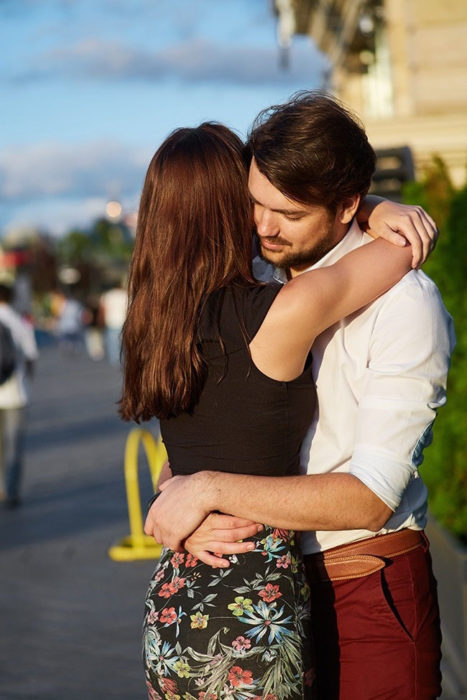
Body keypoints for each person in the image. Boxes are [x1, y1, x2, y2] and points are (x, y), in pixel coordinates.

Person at [144, 94, 455, 700]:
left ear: (343, 206)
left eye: (286, 212)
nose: (262, 226)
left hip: (365, 581)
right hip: (266, 583)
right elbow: (195, 446)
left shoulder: (405, 303)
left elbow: (369, 499)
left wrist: (206, 490)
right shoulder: (253, 278)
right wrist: (183, 506)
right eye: (253, 203)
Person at [0, 278, 38, 508]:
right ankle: (12, 491)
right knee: (14, 445)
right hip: (16, 393)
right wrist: (27, 380)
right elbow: (31, 355)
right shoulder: (20, 322)